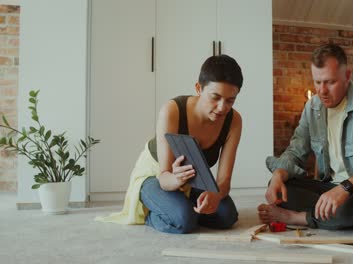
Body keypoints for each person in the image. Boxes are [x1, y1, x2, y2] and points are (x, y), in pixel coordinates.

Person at [257, 43, 353, 236]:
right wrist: (278, 175)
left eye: (330, 82)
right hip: (331, 188)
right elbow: (295, 151)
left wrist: (345, 188)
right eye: (317, 82)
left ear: (347, 76)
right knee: (283, 188)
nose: (321, 91)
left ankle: (298, 218)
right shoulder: (312, 107)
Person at [97, 55, 243, 234]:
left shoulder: (233, 121)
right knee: (184, 221)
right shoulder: (172, 111)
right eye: (215, 97)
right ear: (198, 88)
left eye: (230, 100)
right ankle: (152, 213)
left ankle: (181, 208)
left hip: (193, 181)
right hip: (156, 177)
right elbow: (164, 177)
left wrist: (215, 195)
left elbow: (223, 181)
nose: (222, 108)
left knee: (227, 215)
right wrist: (177, 179)